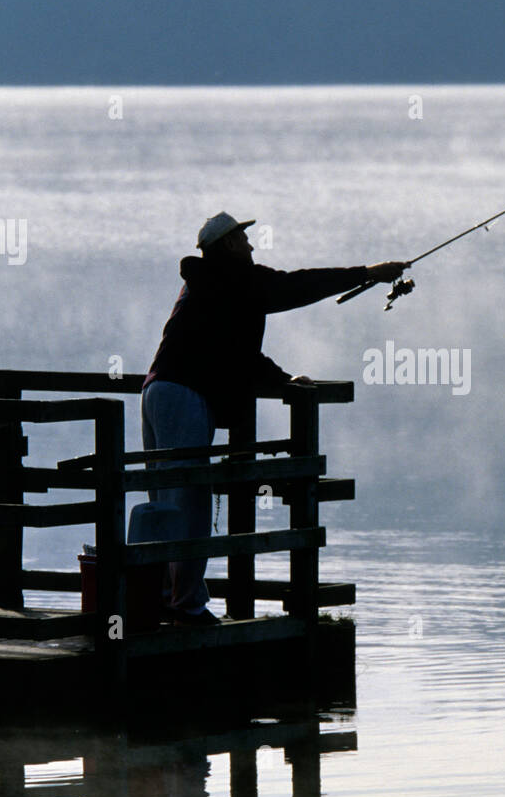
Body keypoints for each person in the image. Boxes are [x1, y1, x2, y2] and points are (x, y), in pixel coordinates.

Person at [142, 211, 404, 625]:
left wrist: (282, 379)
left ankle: (158, 600)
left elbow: (236, 351)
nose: (250, 244)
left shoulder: (206, 284)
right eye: (244, 239)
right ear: (227, 245)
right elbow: (296, 286)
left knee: (163, 501)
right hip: (184, 394)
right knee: (189, 501)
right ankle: (186, 606)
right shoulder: (236, 279)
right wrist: (367, 273)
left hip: (156, 390)